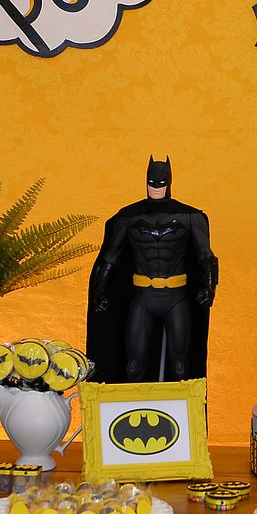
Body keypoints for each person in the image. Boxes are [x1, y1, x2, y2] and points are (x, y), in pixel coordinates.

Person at [86, 155, 218, 383]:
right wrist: (99, 291)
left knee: (181, 369)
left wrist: (209, 287)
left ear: (169, 182)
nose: (156, 187)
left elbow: (206, 256)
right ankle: (132, 406)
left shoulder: (190, 216)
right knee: (134, 367)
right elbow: (111, 257)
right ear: (146, 181)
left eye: (161, 182)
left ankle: (180, 407)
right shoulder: (128, 217)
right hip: (143, 296)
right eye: (152, 182)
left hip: (176, 296)